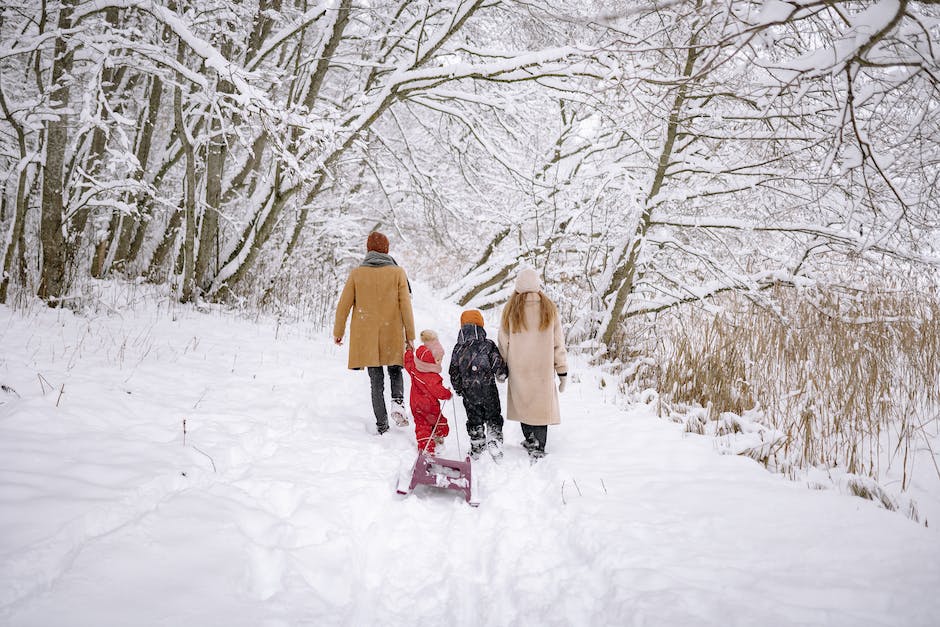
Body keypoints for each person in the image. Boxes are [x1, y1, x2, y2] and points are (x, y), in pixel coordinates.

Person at [333, 231, 415, 435]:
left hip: (367, 336)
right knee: (395, 369)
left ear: (368, 249)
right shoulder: (397, 273)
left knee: (375, 379)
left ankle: (382, 425)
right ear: (387, 250)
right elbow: (406, 305)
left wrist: (339, 331)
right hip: (392, 331)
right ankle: (397, 402)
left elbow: (343, 305)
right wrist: (410, 336)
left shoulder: (357, 274)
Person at [497, 267, 568, 460]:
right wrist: (562, 370)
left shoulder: (511, 309)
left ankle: (529, 439)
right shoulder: (549, 308)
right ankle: (539, 444)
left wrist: (501, 366)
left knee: (524, 405)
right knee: (539, 408)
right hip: (542, 370)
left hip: (519, 369)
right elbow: (558, 342)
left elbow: (503, 342)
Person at [449, 309, 508, 459]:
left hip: (469, 392)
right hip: (488, 389)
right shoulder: (487, 345)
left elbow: (453, 371)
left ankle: (477, 445)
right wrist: (502, 372)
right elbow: (497, 363)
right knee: (493, 415)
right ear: (481, 326)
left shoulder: (458, 348)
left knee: (474, 418)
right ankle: (494, 439)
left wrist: (458, 388)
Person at [403, 331, 453, 455]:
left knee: (422, 426)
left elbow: (408, 361)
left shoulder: (415, 367)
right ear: (431, 361)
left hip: (416, 405)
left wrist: (409, 350)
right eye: (438, 360)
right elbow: (439, 392)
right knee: (440, 422)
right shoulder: (432, 377)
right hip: (430, 406)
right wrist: (448, 394)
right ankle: (437, 440)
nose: (440, 362)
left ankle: (427, 448)